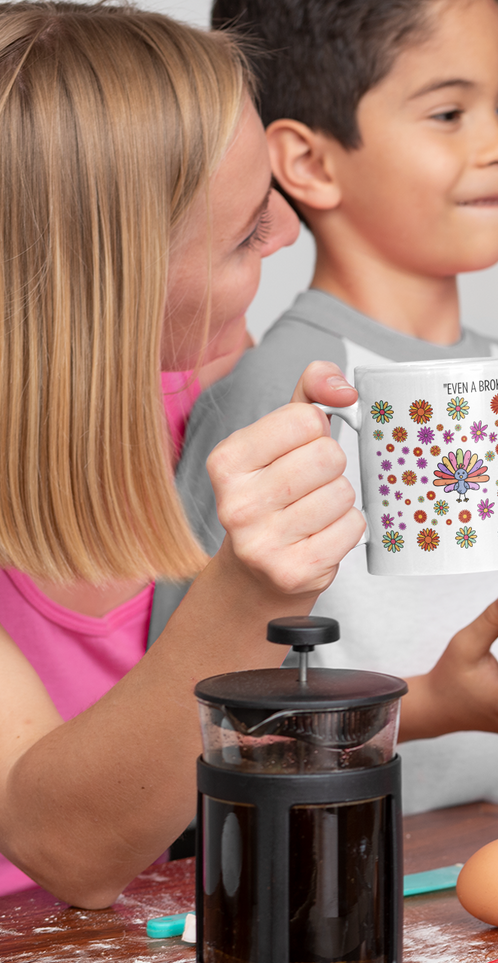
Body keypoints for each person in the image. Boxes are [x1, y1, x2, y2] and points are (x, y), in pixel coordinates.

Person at [154, 0, 498, 819]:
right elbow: (187, 724)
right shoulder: (276, 400)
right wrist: (434, 705)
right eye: (449, 113)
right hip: (357, 897)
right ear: (307, 163)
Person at [0, 2, 357, 906]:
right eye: (243, 234)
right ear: (103, 288)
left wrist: (451, 700)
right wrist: (249, 592)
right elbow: (66, 849)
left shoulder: (204, 407)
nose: (286, 230)